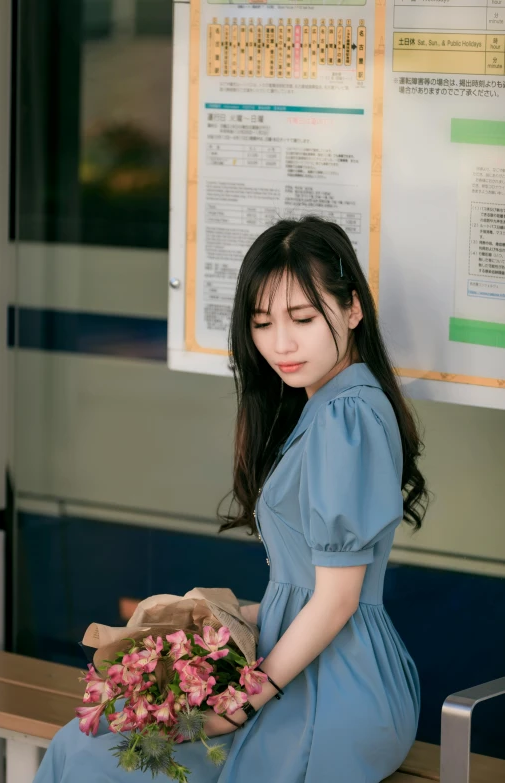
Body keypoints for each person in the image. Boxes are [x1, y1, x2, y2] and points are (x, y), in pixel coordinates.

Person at [34, 216, 427, 782]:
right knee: (92, 740)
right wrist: (205, 626)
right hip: (304, 664)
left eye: (304, 318)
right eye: (262, 323)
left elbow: (337, 601)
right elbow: (308, 590)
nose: (281, 344)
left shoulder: (346, 416)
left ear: (353, 309)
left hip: (335, 686)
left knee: (102, 757)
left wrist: (240, 702)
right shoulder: (329, 404)